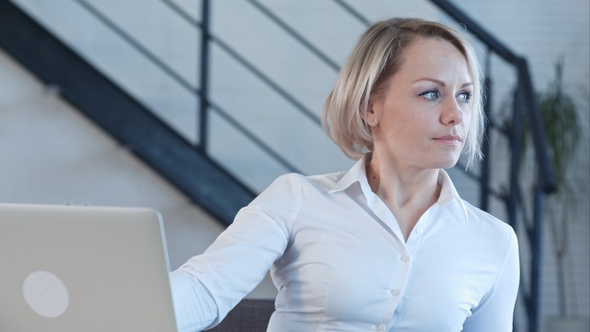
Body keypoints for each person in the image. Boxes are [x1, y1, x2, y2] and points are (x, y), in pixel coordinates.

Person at [170, 17, 520, 332]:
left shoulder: (494, 242)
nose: (455, 114)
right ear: (370, 107)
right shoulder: (296, 200)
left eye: (464, 96)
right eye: (431, 93)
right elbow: (206, 290)